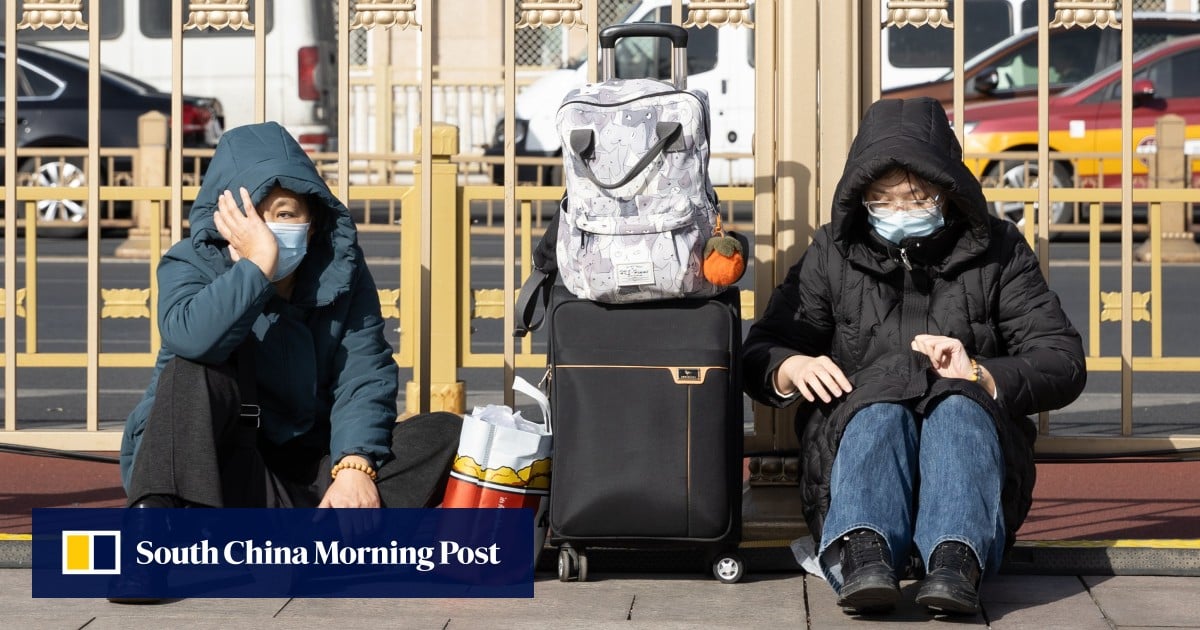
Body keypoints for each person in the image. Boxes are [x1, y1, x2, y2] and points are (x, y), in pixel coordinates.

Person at [742, 97, 1086, 616]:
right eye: (882, 200)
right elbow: (763, 348)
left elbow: (1062, 359)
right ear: (860, 197)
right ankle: (864, 553)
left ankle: (956, 560)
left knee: (957, 405)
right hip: (858, 433)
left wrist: (979, 373)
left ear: (948, 192)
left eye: (916, 197)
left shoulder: (999, 250)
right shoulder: (833, 251)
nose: (899, 212)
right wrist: (792, 367)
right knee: (880, 406)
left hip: (970, 436)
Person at [119, 121, 462, 515]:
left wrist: (355, 464)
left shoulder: (342, 270)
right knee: (192, 370)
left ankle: (328, 522)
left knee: (444, 432)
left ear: (312, 223)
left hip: (315, 463)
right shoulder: (191, 261)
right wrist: (257, 266)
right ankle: (161, 522)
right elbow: (192, 339)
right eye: (253, 216)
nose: (268, 230)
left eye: (285, 214)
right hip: (221, 465)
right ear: (226, 219)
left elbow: (363, 372)